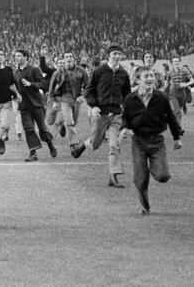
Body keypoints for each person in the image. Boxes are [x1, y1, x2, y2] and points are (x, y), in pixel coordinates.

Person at [120, 66, 182, 215]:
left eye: (151, 76)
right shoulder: (130, 99)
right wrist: (124, 128)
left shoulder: (161, 97)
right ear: (137, 80)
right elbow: (125, 118)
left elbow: (171, 118)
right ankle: (145, 206)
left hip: (157, 141)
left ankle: (157, 167)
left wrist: (177, 137)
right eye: (146, 76)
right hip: (138, 141)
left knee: (163, 176)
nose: (149, 79)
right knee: (140, 180)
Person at [72, 43, 131, 188]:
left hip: (116, 114)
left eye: (119, 54)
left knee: (114, 145)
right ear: (108, 56)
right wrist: (93, 106)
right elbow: (89, 90)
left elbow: (127, 94)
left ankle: (113, 176)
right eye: (114, 54)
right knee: (95, 144)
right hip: (100, 114)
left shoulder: (123, 74)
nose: (117, 56)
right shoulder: (98, 71)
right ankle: (84, 145)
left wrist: (128, 110)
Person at [14, 49, 57, 162]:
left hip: (37, 104)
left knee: (42, 128)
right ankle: (33, 153)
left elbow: (43, 84)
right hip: (24, 106)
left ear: (26, 57)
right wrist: (16, 95)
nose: (16, 58)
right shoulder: (16, 73)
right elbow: (15, 89)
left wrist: (31, 84)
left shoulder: (35, 70)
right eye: (16, 56)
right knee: (28, 129)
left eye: (19, 56)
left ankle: (50, 144)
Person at [48, 51, 88, 156]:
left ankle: (63, 126)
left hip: (77, 100)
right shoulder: (59, 73)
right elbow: (51, 87)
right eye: (67, 57)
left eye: (71, 56)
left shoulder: (82, 71)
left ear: (74, 58)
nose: (69, 59)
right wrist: (54, 100)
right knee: (69, 122)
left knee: (73, 123)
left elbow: (88, 86)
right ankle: (73, 145)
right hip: (65, 99)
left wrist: (83, 96)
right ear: (64, 60)